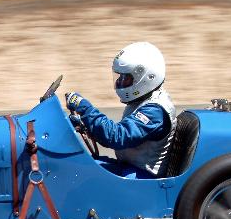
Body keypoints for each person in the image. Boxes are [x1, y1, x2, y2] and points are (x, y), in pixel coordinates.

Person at [65, 41, 177, 179]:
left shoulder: (155, 111)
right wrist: (87, 126)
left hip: (143, 178)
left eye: (126, 78)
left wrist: (85, 108)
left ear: (147, 77)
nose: (119, 82)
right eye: (120, 77)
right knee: (76, 165)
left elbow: (117, 136)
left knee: (84, 178)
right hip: (128, 167)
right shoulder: (142, 100)